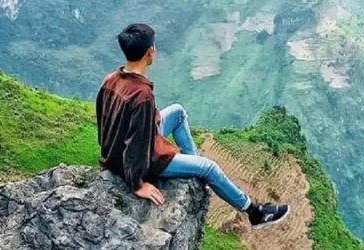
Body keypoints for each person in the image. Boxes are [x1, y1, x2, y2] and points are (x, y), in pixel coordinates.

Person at [96, 23, 288, 229]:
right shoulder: (142, 95)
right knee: (209, 167)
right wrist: (137, 184)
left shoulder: (111, 79)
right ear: (150, 52)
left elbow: (104, 120)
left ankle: (193, 166)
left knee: (177, 112)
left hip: (117, 151)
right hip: (143, 159)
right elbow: (137, 143)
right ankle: (254, 212)